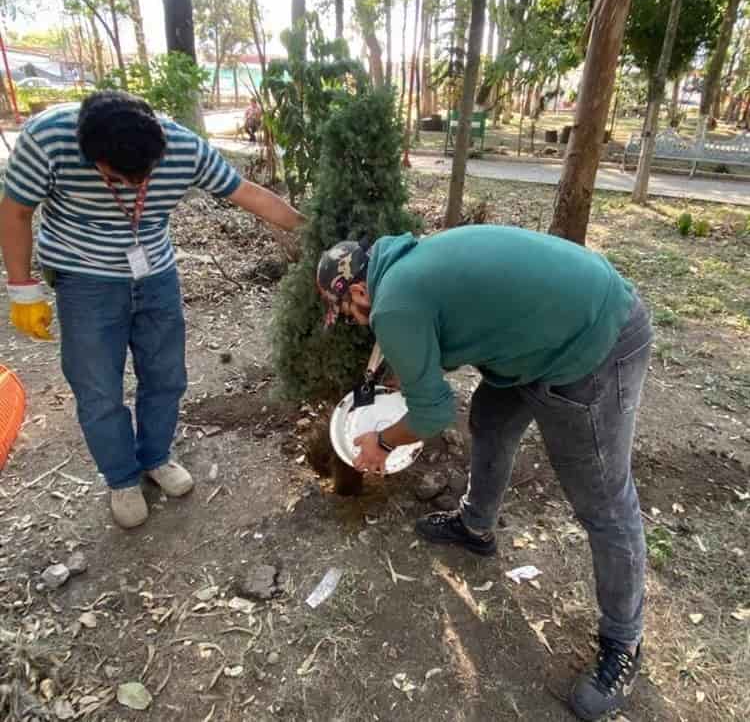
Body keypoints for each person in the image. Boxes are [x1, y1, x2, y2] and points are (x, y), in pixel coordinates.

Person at [316, 226, 653, 722]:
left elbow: (432, 417)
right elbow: (443, 323)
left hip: (594, 341)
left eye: (348, 315)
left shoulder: (393, 306)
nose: (357, 325)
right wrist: (409, 365)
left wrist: (383, 442)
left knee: (605, 504)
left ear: (361, 291)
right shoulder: (405, 265)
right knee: (491, 420)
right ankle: (476, 526)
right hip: (556, 326)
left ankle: (625, 643)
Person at [1, 90, 303, 529]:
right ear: (90, 153)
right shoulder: (48, 138)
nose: (136, 185)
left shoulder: (183, 147)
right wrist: (23, 288)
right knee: (99, 388)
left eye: (145, 175)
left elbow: (248, 194)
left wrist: (314, 230)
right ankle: (122, 479)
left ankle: (156, 457)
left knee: (166, 376)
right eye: (119, 177)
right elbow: (15, 213)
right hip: (83, 278)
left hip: (155, 274)